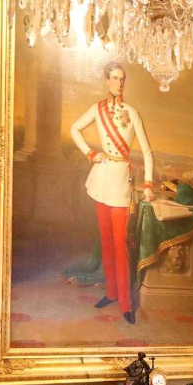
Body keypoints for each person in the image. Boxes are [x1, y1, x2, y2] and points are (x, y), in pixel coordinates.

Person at [70, 61, 155, 325]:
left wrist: (149, 184)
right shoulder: (97, 109)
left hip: (120, 181)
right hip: (100, 179)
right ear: (107, 81)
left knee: (120, 243)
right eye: (115, 78)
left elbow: (148, 151)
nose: (119, 83)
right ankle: (110, 292)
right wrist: (89, 153)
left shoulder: (133, 112)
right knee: (106, 241)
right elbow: (74, 129)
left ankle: (126, 303)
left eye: (122, 79)